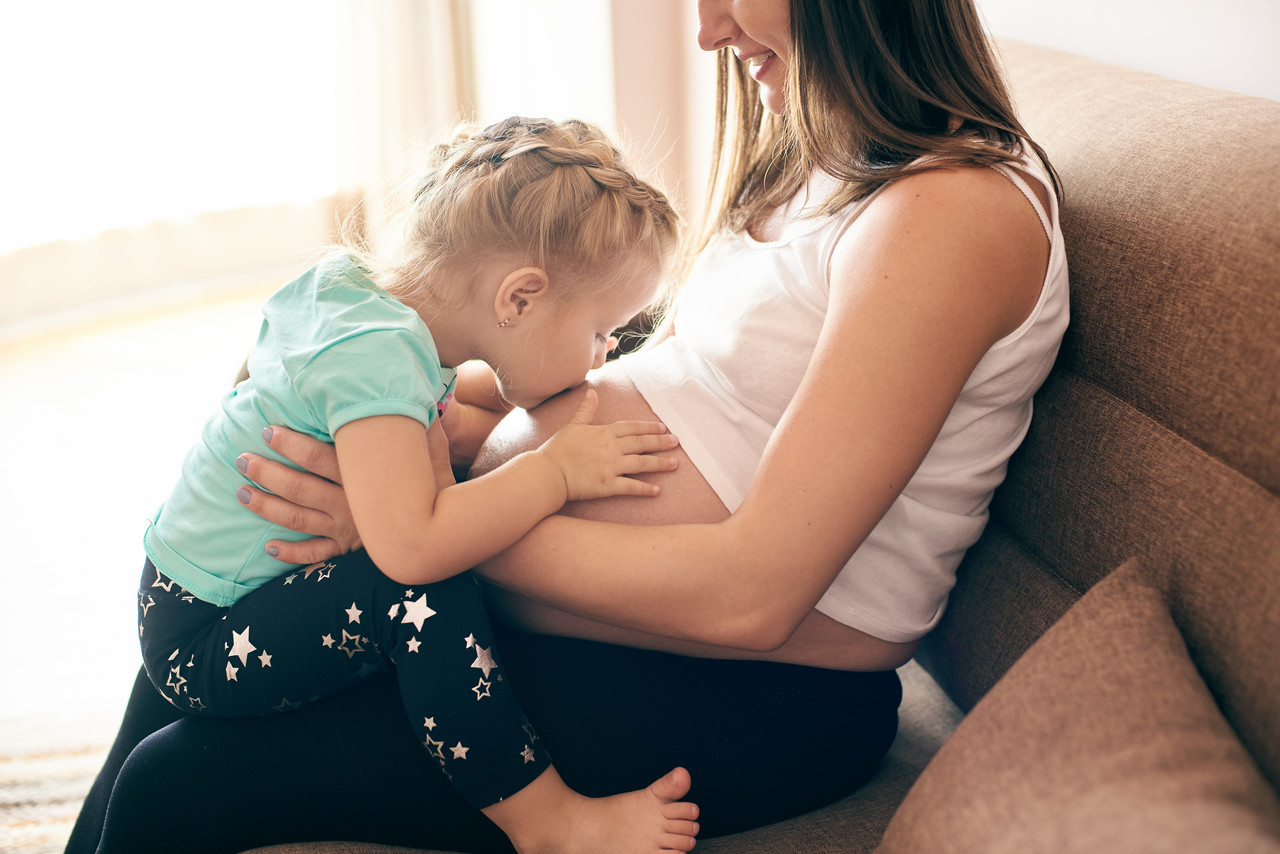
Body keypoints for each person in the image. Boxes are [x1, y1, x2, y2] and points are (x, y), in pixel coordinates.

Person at [67, 1, 1069, 852]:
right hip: (572, 609)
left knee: (181, 782)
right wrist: (394, 429)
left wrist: (423, 527)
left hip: (742, 686)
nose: (707, 29)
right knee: (200, 635)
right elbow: (663, 387)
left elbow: (751, 596)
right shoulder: (813, 164)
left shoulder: (950, 212)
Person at [126, 116, 701, 854]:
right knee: (425, 588)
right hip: (207, 638)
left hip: (180, 594)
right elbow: (411, 547)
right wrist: (552, 473)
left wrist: (473, 412)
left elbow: (339, 386)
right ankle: (547, 821)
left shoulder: (359, 294)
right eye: (601, 331)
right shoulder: (380, 362)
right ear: (519, 299)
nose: (603, 355)